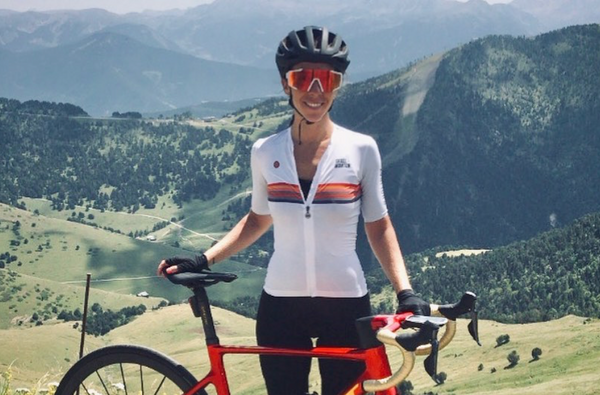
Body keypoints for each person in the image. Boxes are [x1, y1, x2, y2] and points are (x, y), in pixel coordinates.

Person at [158, 25, 430, 395]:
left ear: (337, 86)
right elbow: (257, 219)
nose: (315, 91)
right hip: (281, 306)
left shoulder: (361, 150)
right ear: (287, 85)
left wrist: (405, 292)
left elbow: (379, 225)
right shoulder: (265, 152)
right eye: (303, 78)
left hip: (346, 307)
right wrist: (203, 259)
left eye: (327, 79)